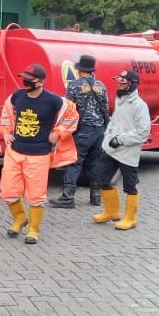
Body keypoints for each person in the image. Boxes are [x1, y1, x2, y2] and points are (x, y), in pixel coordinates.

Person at [0, 64, 79, 245]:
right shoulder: (16, 96)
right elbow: (5, 113)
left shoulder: (53, 100)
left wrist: (58, 133)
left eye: (30, 79)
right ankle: (20, 218)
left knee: (35, 195)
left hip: (39, 155)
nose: (25, 82)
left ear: (41, 82)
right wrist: (5, 131)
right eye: (24, 77)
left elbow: (72, 115)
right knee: (8, 191)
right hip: (15, 152)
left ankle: (33, 229)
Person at [92, 69, 152, 231]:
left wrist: (120, 140)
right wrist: (107, 139)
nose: (119, 85)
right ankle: (112, 212)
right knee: (101, 178)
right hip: (111, 149)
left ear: (131, 85)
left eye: (122, 83)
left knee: (130, 186)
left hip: (128, 152)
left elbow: (143, 132)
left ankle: (130, 218)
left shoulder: (140, 106)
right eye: (119, 82)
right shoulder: (120, 100)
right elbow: (115, 122)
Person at [50, 55, 109, 209]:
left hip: (83, 130)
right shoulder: (101, 85)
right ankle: (96, 196)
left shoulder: (74, 86)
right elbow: (106, 109)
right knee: (95, 162)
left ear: (80, 69)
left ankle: (68, 198)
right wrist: (105, 126)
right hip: (99, 129)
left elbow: (69, 109)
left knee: (74, 162)